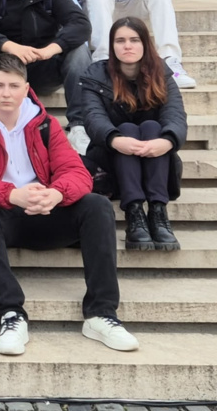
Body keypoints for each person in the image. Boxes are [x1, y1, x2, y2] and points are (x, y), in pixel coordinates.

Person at [0, 52, 134, 355]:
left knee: (98, 206)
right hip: (3, 218)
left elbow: (77, 173)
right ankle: (11, 314)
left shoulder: (45, 123)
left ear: (26, 88)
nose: (6, 93)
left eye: (14, 86)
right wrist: (12, 195)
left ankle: (101, 313)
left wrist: (57, 194)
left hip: (48, 212)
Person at [70, 16, 186, 251]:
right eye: (120, 41)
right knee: (127, 129)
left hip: (156, 159)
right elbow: (92, 117)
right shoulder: (95, 74)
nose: (127, 46)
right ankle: (134, 212)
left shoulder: (161, 72)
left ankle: (157, 211)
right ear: (112, 46)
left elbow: (175, 114)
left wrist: (166, 142)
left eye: (134, 40)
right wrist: (115, 140)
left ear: (145, 43)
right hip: (111, 160)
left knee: (152, 127)